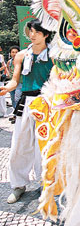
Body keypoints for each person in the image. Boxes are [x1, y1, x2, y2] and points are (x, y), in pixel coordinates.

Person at [0, 19, 53, 204]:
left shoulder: (54, 56)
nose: (32, 35)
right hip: (26, 103)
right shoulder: (21, 55)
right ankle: (18, 185)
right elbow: (15, 80)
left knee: (44, 147)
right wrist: (7, 88)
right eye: (30, 31)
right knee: (19, 145)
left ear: (45, 34)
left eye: (36, 32)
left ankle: (45, 184)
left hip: (46, 102)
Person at [6, 46, 22, 123]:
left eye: (16, 52)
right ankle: (15, 114)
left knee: (17, 98)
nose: (15, 54)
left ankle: (17, 115)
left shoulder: (22, 61)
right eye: (13, 52)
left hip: (20, 82)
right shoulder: (9, 62)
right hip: (12, 82)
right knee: (12, 98)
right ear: (10, 53)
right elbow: (8, 70)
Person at [0, 46, 9, 118]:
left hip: (0, 78)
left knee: (2, 96)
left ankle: (4, 112)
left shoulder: (1, 56)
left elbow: (3, 67)